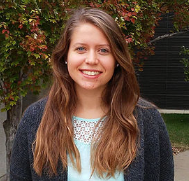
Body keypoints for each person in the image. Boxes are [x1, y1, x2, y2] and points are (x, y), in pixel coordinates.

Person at [10, 8, 174, 181]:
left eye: (103, 50)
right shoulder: (35, 119)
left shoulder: (147, 119)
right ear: (65, 56)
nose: (91, 60)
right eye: (81, 48)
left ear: (117, 59)